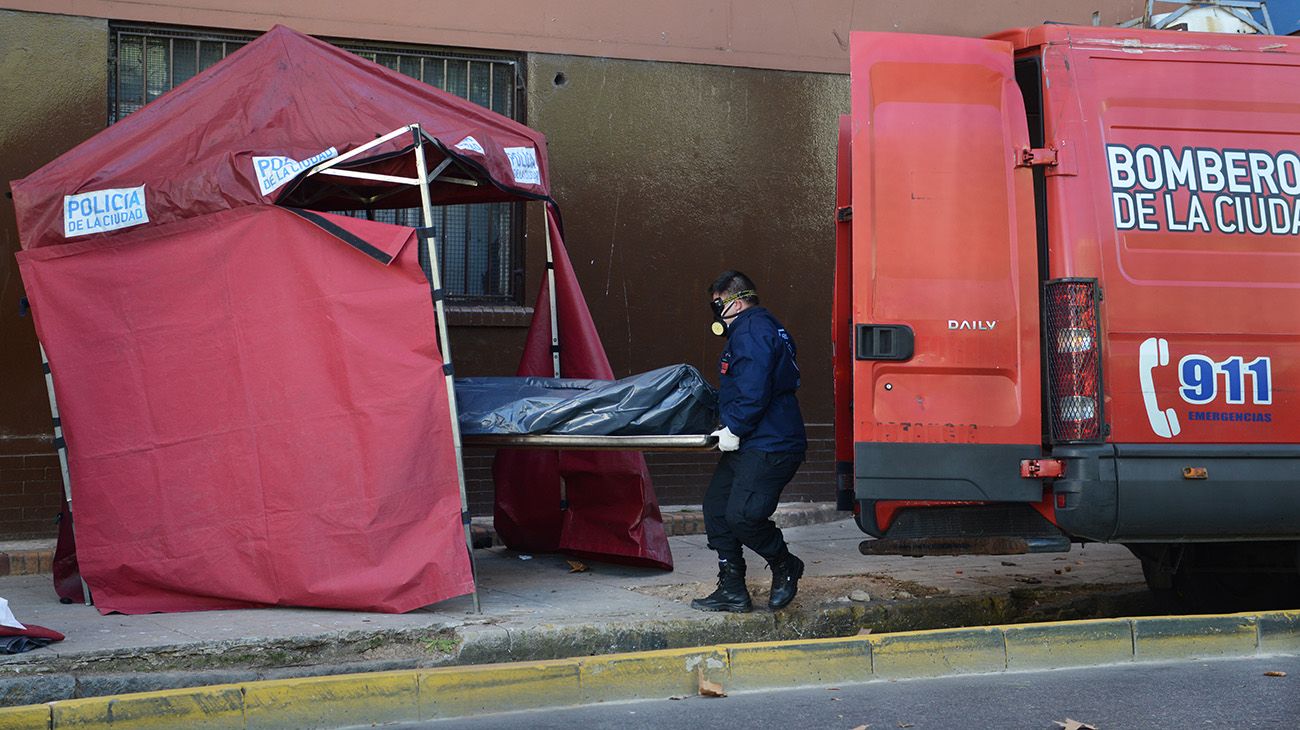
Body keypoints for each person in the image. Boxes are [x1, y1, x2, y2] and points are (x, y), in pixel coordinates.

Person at [692, 270, 807, 613]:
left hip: (770, 442)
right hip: (752, 440)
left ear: (736, 302)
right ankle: (732, 589)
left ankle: (785, 564)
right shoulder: (760, 328)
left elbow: (755, 390)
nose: (715, 314)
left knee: (743, 516)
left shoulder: (753, 330)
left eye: (718, 305)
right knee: (717, 508)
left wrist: (735, 428)